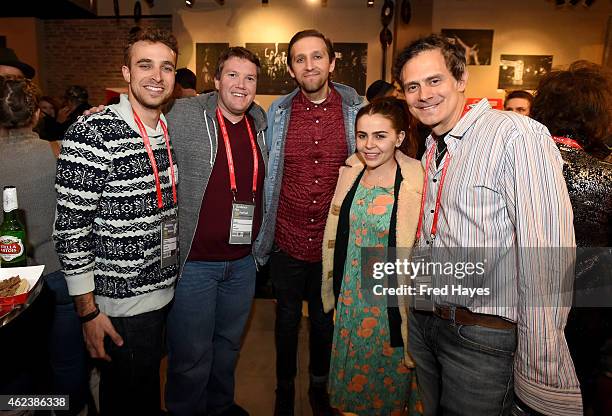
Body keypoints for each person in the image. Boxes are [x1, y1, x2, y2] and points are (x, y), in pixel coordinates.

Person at [394, 34, 581, 415]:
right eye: (412, 86)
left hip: (481, 337)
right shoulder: (433, 145)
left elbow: (546, 258)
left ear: (460, 79)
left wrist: (538, 370)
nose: (423, 95)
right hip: (428, 322)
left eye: (434, 81)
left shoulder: (515, 135)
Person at [53, 27, 179, 415]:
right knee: (127, 400)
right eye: (145, 65)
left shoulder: (164, 129)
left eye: (166, 67)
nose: (156, 76)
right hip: (120, 307)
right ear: (126, 73)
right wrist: (88, 311)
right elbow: (71, 228)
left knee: (143, 392)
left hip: (161, 295)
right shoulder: (93, 132)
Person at [252, 29, 363, 416]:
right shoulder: (277, 113)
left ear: (332, 63)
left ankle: (319, 387)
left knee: (323, 320)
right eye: (300, 58)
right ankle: (284, 388)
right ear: (290, 68)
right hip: (286, 236)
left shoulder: (357, 111)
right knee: (284, 320)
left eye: (318, 56)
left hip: (333, 242)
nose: (309, 65)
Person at [164, 46, 267, 416]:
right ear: (217, 79)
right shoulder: (185, 113)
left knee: (227, 347)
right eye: (233, 75)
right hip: (195, 265)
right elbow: (144, 114)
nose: (241, 85)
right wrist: (108, 112)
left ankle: (220, 407)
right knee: (190, 354)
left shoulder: (261, 122)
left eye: (250, 77)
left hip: (241, 264)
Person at [321, 97, 424, 415]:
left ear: (399, 138)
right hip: (350, 294)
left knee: (386, 386)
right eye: (362, 135)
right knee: (350, 385)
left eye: (380, 136)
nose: (369, 145)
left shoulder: (416, 179)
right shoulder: (351, 170)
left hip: (388, 302)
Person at [1, 75, 90, 414]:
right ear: (37, 114)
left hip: (9, 281)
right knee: (67, 360)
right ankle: (69, 409)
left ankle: (28, 408)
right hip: (59, 273)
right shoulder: (58, 153)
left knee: (18, 364)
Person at [531, 61, 612, 416]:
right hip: (589, 299)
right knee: (579, 387)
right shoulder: (606, 174)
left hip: (523, 290)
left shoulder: (522, 164)